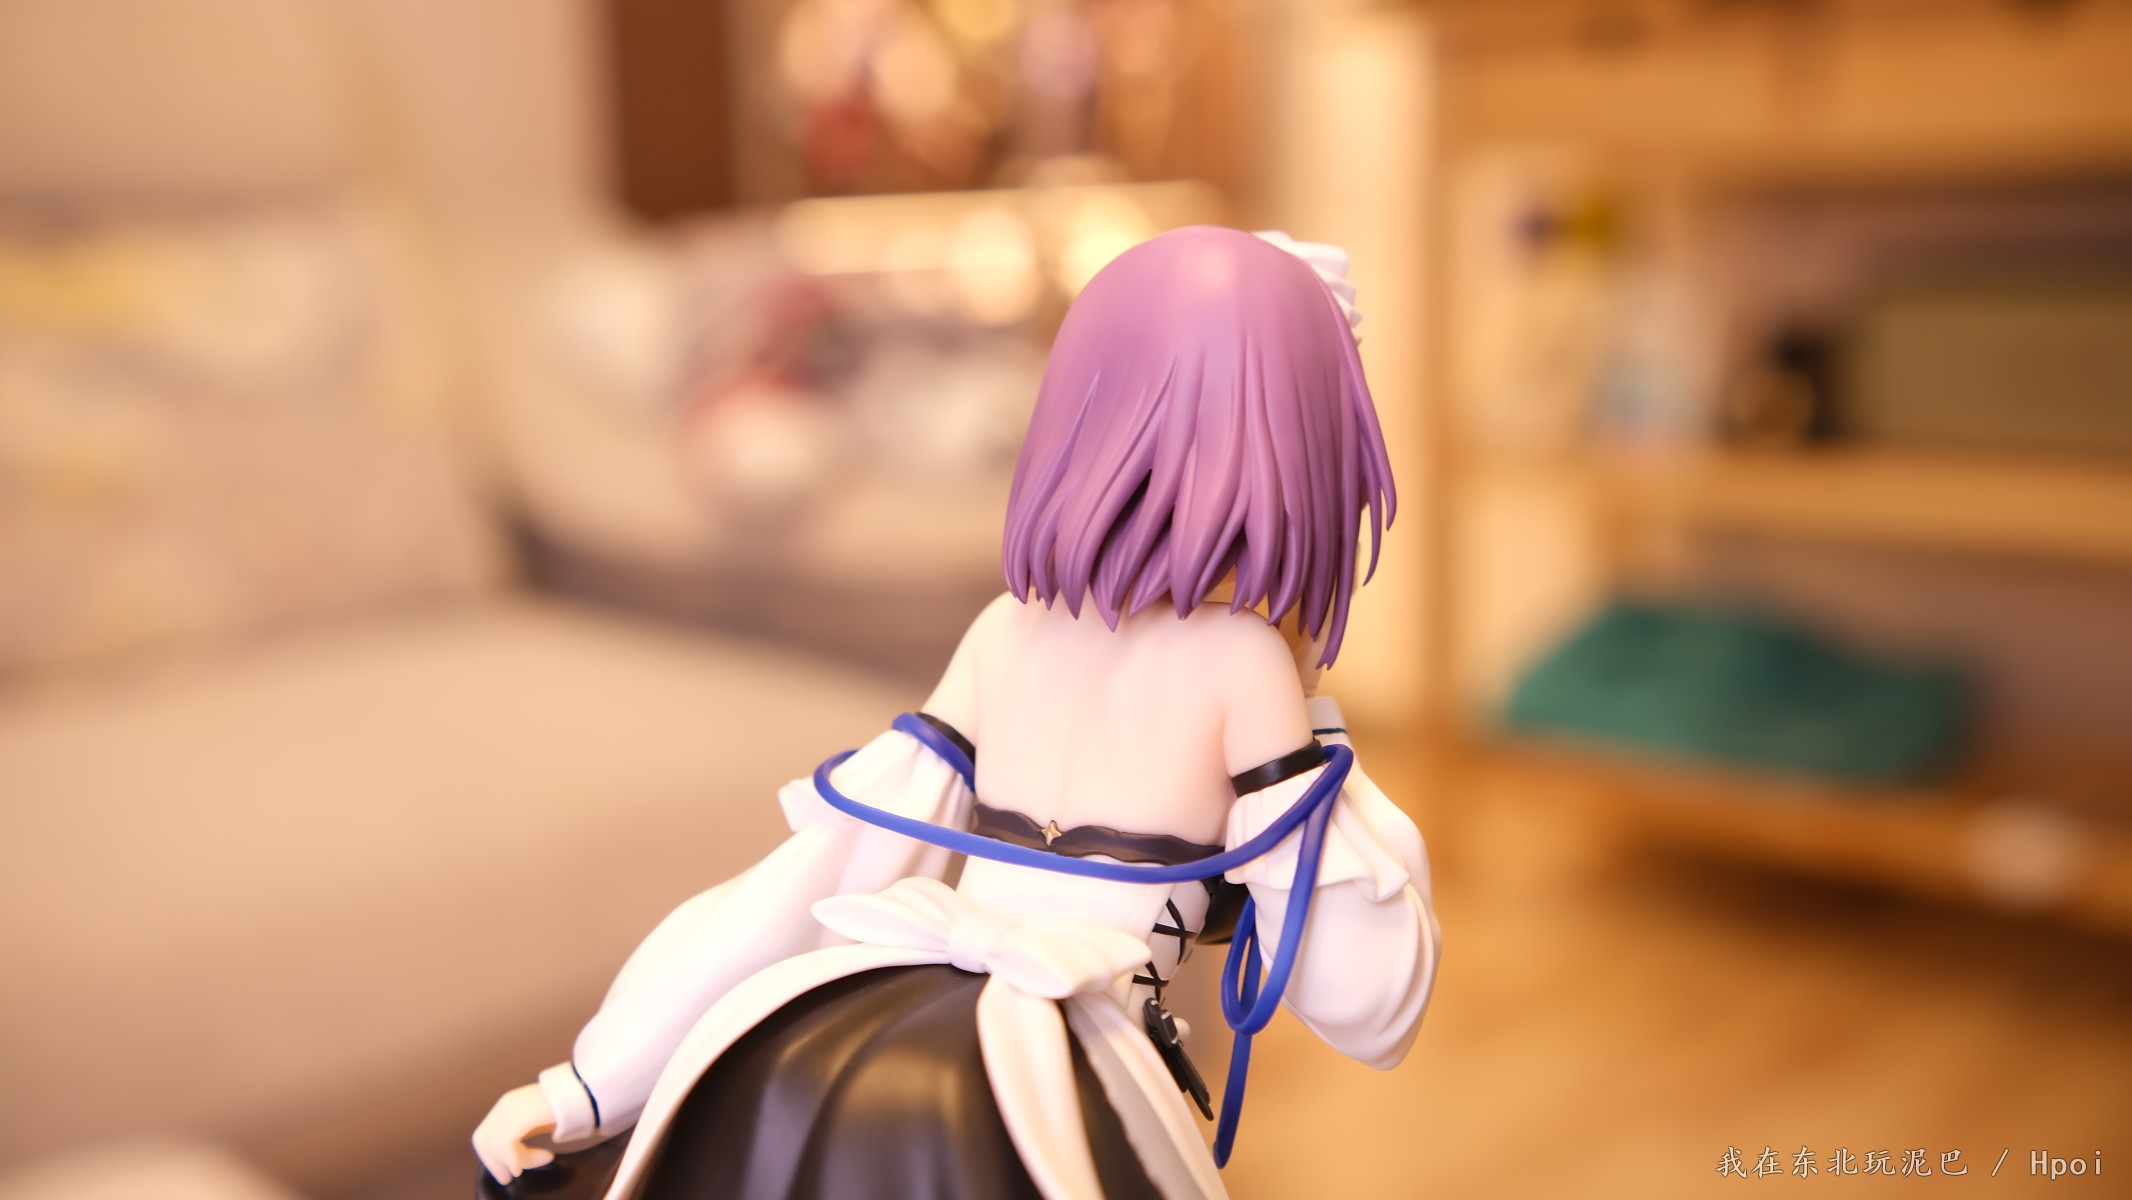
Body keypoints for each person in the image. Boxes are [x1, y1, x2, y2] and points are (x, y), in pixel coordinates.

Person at [471, 225, 1441, 1200]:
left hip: (896, 1016)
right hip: (1073, 1067)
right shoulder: (1240, 662)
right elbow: (1363, 1000)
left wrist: (594, 1081)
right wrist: (1309, 717)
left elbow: (816, 871)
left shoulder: (1004, 629)